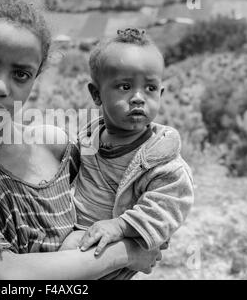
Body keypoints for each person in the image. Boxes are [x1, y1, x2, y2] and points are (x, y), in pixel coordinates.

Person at [0, 0, 163, 280]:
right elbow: (6, 275)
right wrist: (127, 252)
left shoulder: (55, 147)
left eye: (21, 74)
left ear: (35, 78)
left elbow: (123, 177)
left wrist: (144, 226)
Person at [60, 28, 194, 279]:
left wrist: (120, 226)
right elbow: (65, 173)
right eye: (125, 86)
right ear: (96, 94)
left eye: (151, 88)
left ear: (161, 94)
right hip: (74, 235)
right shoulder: (89, 138)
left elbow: (167, 207)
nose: (138, 98)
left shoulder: (161, 160)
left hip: (113, 251)